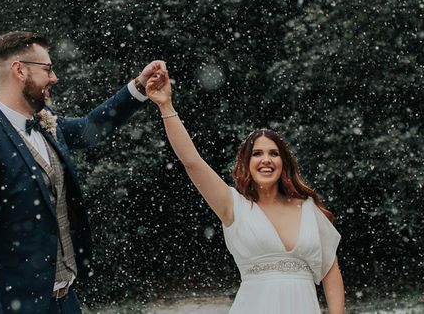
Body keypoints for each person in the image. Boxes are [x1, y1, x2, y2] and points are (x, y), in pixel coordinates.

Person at [0, 30, 166, 314]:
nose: (54, 78)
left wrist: (139, 87)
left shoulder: (46, 123)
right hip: (22, 307)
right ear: (19, 70)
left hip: (67, 301)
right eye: (47, 69)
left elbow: (92, 128)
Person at [145, 75, 345, 314]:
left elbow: (331, 272)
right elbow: (192, 162)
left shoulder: (309, 208)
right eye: (257, 153)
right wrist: (166, 106)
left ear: (284, 162)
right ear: (246, 163)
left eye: (273, 153)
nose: (266, 160)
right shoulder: (233, 206)